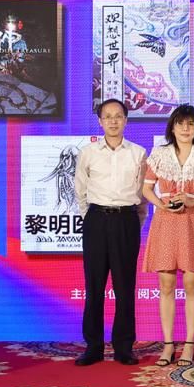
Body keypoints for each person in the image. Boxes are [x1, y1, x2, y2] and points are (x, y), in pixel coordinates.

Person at [141, 105, 194, 367]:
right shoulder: (159, 154)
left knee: (192, 283)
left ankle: (190, 344)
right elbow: (147, 189)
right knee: (166, 284)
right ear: (172, 127)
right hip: (166, 221)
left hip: (193, 221)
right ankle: (168, 344)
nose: (186, 129)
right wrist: (161, 204)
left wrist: (192, 201)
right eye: (181, 123)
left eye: (191, 124)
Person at [73, 98, 147, 366]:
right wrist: (92, 218)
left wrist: (132, 223)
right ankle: (93, 346)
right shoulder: (88, 153)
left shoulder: (138, 153)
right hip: (96, 220)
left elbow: (143, 196)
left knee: (125, 286)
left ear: (126, 120)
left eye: (118, 116)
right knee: (94, 286)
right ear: (100, 121)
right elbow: (80, 190)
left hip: (126, 220)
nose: (113, 121)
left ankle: (124, 347)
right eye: (108, 116)